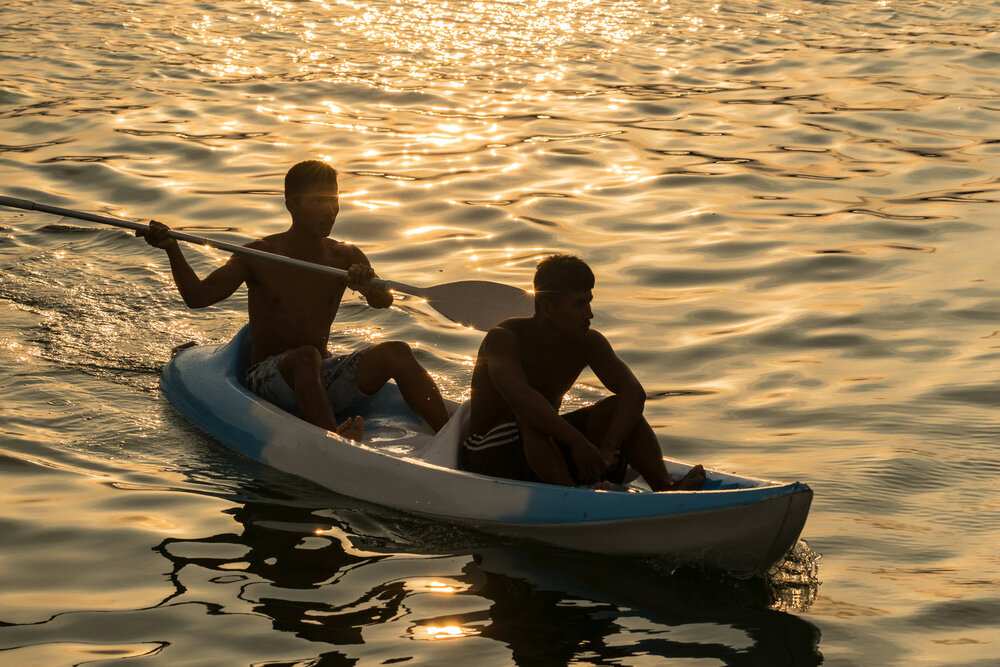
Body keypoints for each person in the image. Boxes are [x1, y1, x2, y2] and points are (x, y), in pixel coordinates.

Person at [139, 159, 449, 441]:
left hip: (320, 372)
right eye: (318, 201)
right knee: (305, 357)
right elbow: (198, 297)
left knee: (396, 352)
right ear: (293, 206)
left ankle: (451, 437)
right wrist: (171, 249)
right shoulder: (258, 255)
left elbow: (381, 301)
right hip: (267, 379)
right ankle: (335, 444)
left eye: (334, 200)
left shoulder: (345, 256)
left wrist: (370, 286)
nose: (330, 211)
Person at [459, 254, 705, 491]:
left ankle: (664, 487)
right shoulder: (503, 339)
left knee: (616, 408)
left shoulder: (589, 342)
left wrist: (607, 449)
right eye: (579, 304)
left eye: (589, 301)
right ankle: (570, 495)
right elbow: (519, 399)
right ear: (547, 307)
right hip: (486, 451)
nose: (589, 313)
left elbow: (633, 392)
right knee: (531, 415)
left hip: (543, 449)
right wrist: (578, 442)